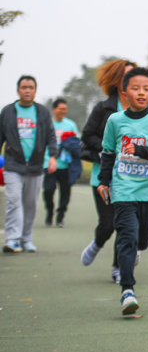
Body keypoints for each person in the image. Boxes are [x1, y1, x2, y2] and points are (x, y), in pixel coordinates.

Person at [97, 67, 148, 315]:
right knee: (127, 237)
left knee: (142, 241)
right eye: (135, 88)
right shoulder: (115, 121)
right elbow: (108, 153)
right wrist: (104, 181)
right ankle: (127, 290)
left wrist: (139, 150)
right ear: (124, 93)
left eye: (146, 89)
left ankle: (134, 252)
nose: (141, 92)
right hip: (123, 190)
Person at [80, 59, 137, 283]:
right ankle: (96, 244)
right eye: (125, 76)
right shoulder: (103, 108)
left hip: (131, 177)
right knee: (107, 225)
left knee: (124, 225)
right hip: (102, 176)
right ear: (116, 80)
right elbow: (87, 136)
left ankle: (118, 267)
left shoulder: (143, 109)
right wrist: (107, 150)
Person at [1, 76, 58, 253]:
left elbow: (50, 135)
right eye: (24, 87)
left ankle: (26, 239)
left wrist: (53, 156)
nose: (27, 90)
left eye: (31, 87)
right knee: (13, 201)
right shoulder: (7, 111)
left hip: (35, 166)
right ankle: (12, 240)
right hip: (12, 166)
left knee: (30, 204)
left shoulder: (41, 112)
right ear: (18, 90)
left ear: (35, 90)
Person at [42, 98, 79, 227]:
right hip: (49, 164)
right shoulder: (48, 125)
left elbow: (77, 143)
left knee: (65, 192)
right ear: (54, 109)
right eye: (61, 109)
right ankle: (50, 212)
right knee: (48, 190)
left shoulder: (71, 125)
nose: (63, 111)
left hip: (66, 165)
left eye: (65, 109)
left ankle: (60, 217)